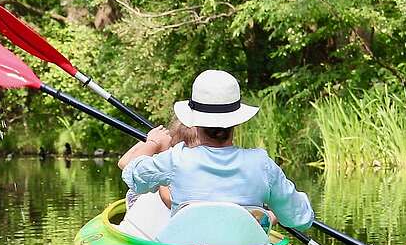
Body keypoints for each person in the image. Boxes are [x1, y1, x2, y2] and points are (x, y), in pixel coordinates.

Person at [120, 69, 313, 231]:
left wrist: (153, 142)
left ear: (194, 123)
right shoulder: (262, 164)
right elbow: (301, 219)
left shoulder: (176, 159)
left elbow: (131, 173)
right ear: (236, 122)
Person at [119, 118, 197, 209]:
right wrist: (152, 139)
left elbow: (168, 200)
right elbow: (123, 163)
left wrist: (153, 143)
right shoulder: (164, 159)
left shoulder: (170, 162)